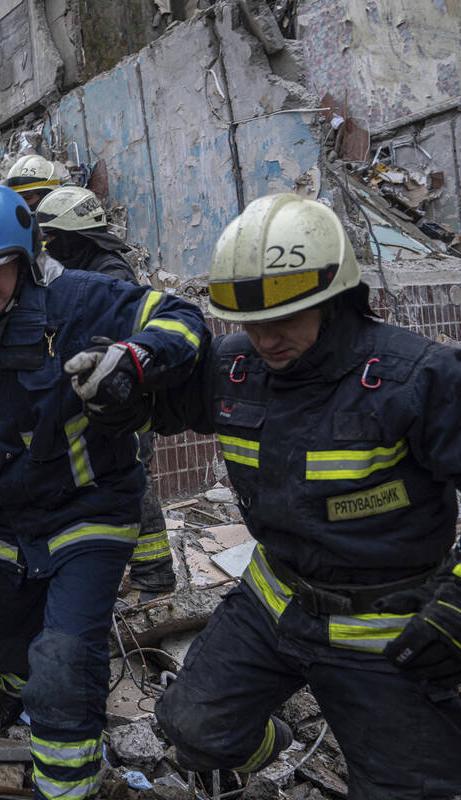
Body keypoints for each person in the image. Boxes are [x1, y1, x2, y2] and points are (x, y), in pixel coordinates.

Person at [131, 193, 461, 796]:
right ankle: (275, 745)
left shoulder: (419, 379)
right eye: (250, 323)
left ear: (334, 301)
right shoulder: (237, 368)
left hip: (386, 632)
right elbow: (165, 404)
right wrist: (121, 388)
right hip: (273, 605)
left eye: (284, 320)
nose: (265, 340)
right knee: (193, 726)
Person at [0, 177, 207, 799]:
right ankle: (29, 704)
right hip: (10, 521)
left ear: (24, 256)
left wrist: (134, 359)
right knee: (0, 639)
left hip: (90, 510)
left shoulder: (78, 300)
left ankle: (67, 778)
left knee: (62, 659)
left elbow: (184, 320)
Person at [36, 187, 176, 593]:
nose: (49, 248)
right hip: (102, 400)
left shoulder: (107, 274)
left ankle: (155, 576)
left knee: (134, 481)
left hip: (121, 400)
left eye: (54, 239)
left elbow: (102, 341)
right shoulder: (87, 267)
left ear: (75, 237)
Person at [4, 154, 69, 212]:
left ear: (49, 195)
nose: (21, 204)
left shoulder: (66, 221)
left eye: (28, 197)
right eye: (14, 199)